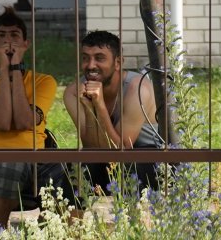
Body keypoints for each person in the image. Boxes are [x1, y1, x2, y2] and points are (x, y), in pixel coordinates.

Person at [0, 7, 74, 230]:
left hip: (37, 165)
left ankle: (53, 231)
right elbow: (1, 123)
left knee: (76, 168)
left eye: (14, 36)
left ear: (26, 45)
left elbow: (24, 121)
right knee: (11, 159)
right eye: (1, 36)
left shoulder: (44, 81)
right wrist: (6, 70)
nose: (8, 42)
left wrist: (15, 72)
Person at [63, 30, 163, 195]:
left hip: (144, 157)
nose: (91, 65)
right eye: (85, 58)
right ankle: (71, 220)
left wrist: (100, 106)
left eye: (99, 58)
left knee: (130, 168)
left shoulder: (137, 88)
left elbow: (121, 150)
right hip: (104, 158)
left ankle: (132, 220)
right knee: (77, 169)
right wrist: (89, 109)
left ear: (118, 62)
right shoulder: (73, 92)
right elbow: (90, 148)